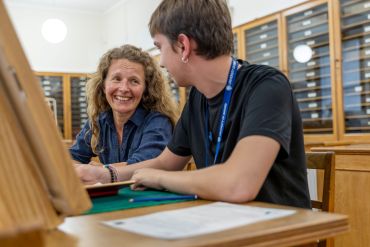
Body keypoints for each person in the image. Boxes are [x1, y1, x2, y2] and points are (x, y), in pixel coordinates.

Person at [76, 0, 311, 208]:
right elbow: (165, 163)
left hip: (277, 232)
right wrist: (106, 174)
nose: (161, 62)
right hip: (223, 221)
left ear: (183, 46)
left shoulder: (267, 86)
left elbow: (239, 184)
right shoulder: (198, 97)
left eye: (159, 47)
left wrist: (156, 178)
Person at [70, 44, 178, 170]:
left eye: (134, 81)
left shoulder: (158, 122)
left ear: (146, 89)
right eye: (116, 79)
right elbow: (71, 157)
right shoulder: (99, 121)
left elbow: (142, 166)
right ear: (103, 85)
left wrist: (99, 170)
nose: (124, 88)